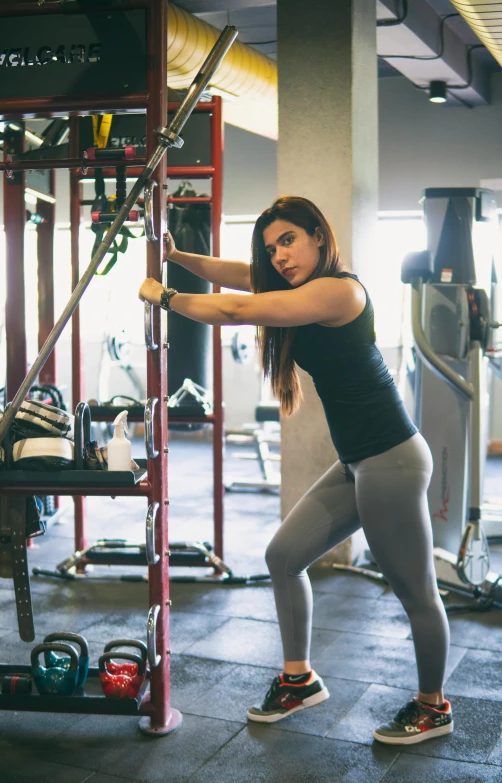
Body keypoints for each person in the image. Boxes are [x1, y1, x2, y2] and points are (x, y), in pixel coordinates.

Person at [138, 196, 453, 746]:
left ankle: (433, 707)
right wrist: (178, 256)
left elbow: (236, 309)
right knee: (283, 556)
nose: (279, 257)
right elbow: (240, 276)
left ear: (317, 236)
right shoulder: (293, 285)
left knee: (415, 590)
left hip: (392, 462)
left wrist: (162, 296)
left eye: (288, 241)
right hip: (360, 463)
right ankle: (298, 678)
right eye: (271, 248)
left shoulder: (338, 290)